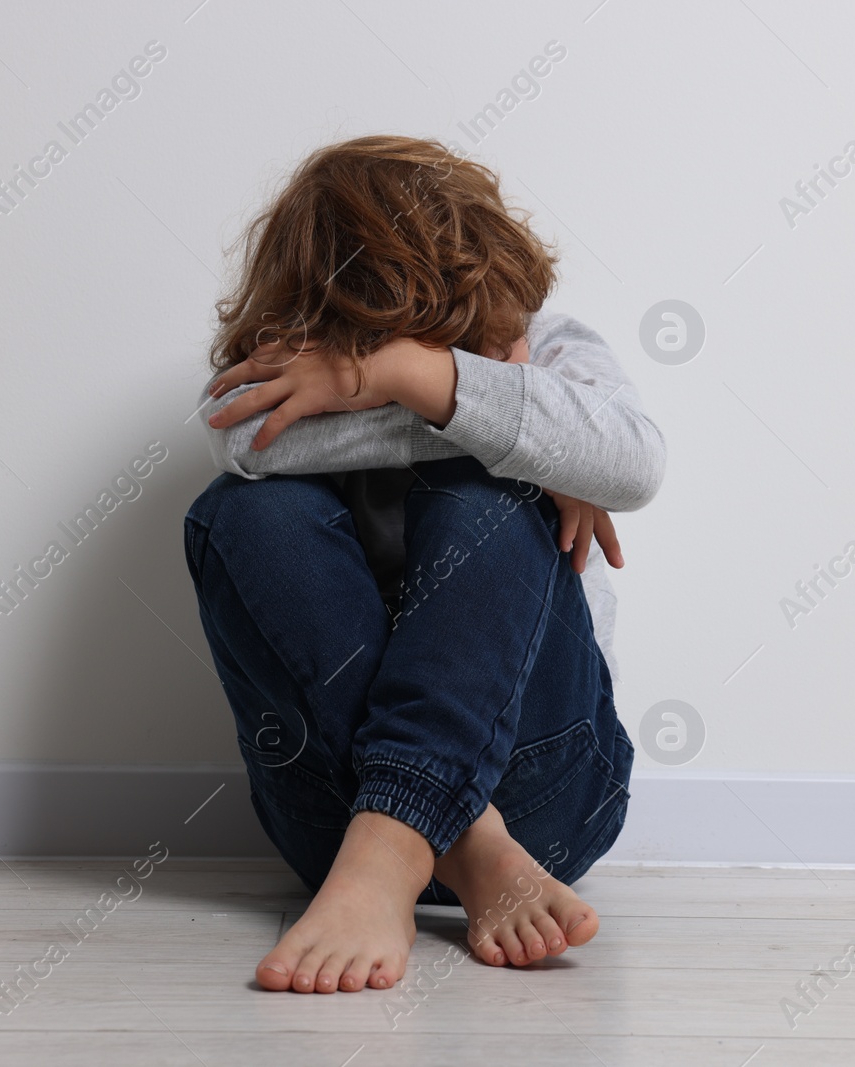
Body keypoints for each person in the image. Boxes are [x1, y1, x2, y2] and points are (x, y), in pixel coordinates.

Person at [183, 134, 665, 994]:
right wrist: (521, 436)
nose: (511, 364)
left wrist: (411, 375)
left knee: (492, 494)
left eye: (494, 346)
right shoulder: (302, 370)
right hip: (336, 811)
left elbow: (634, 462)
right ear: (338, 345)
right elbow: (236, 440)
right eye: (411, 352)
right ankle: (451, 835)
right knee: (246, 513)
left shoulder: (552, 343)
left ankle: (407, 837)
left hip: (548, 796)